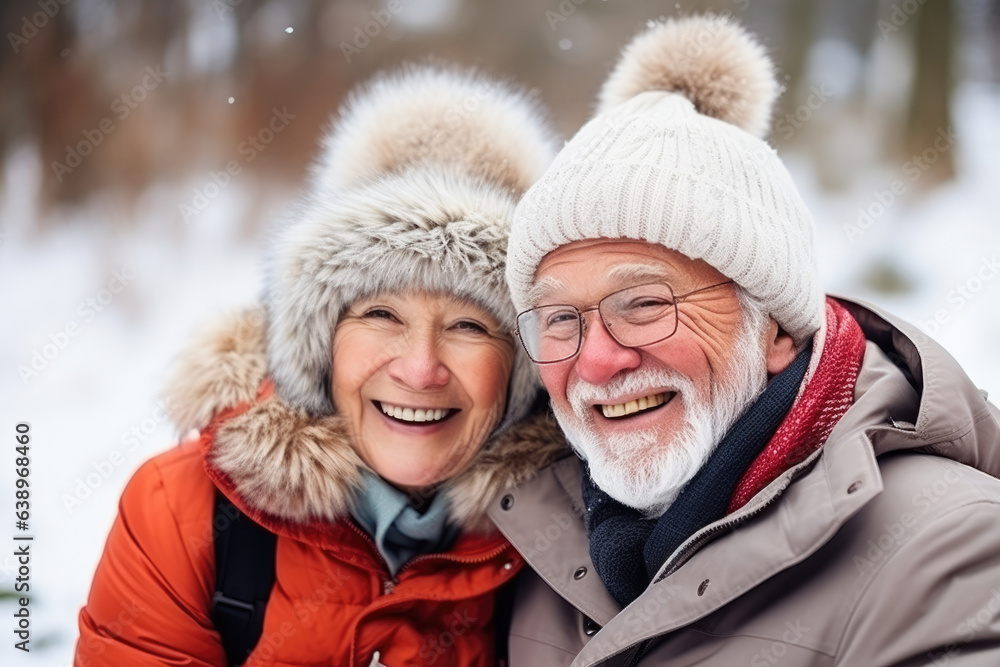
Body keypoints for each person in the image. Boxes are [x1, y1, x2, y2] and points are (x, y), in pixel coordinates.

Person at [490, 14, 1000, 666]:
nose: (596, 359)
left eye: (644, 304)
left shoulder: (944, 554)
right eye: (561, 318)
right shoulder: (527, 551)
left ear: (779, 328)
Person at [75, 64, 566, 666]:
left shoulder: (567, 542)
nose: (420, 370)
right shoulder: (180, 514)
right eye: (381, 315)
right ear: (320, 342)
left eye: (469, 325)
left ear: (521, 365)